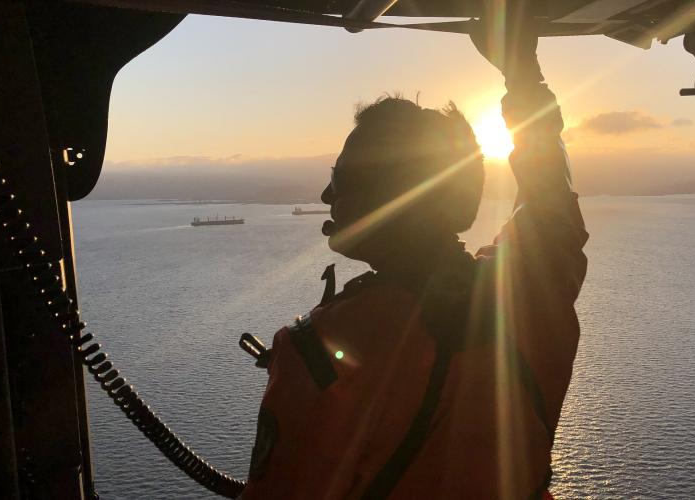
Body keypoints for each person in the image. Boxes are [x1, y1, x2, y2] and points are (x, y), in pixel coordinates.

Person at [241, 20, 587, 500]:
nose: (326, 194)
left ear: (385, 199)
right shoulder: (532, 293)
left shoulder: (318, 352)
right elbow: (551, 195)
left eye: (339, 180)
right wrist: (521, 73)